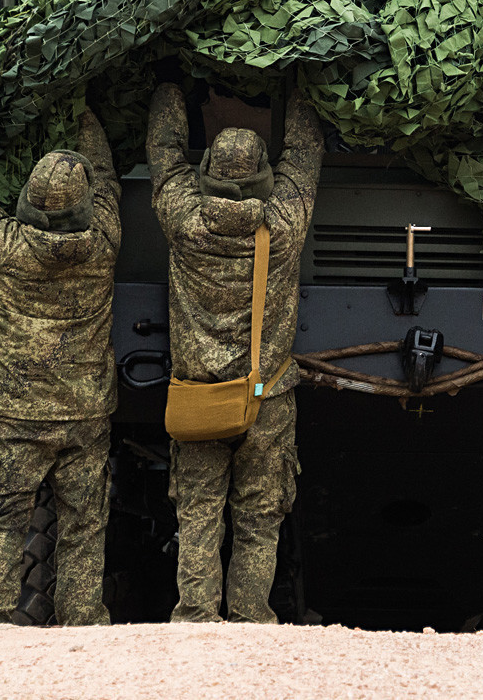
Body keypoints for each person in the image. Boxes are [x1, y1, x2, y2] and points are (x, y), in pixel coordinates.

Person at [145, 83, 324, 622]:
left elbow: (163, 154)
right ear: (266, 182)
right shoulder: (284, 228)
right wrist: (301, 86)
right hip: (264, 399)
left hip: (199, 401)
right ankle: (249, 618)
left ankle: (196, 618)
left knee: (198, 513)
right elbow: (303, 154)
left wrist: (171, 87)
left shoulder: (183, 223)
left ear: (206, 176)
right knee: (258, 516)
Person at [0, 108, 122, 626]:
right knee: (85, 524)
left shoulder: (3, 248)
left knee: (3, 522)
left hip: (17, 418)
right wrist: (85, 113)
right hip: (85, 416)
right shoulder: (103, 242)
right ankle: (82, 625)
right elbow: (107, 178)